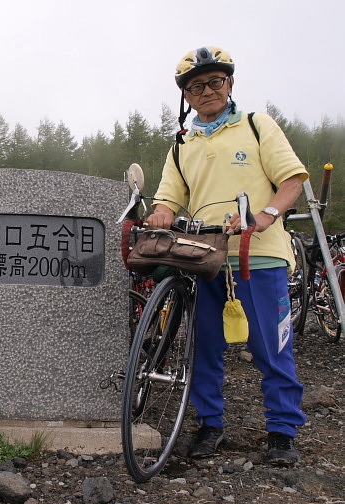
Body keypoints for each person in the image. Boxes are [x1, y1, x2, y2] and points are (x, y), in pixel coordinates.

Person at [146, 46, 307, 465]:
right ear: (186, 95)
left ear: (230, 84)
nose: (207, 91)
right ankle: (210, 424)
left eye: (215, 81)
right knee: (203, 347)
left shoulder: (257, 126)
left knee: (271, 347)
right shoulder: (182, 144)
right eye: (196, 86)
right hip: (205, 258)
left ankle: (282, 431)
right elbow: (168, 198)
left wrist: (268, 214)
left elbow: (291, 180)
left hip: (259, 258)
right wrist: (161, 213)